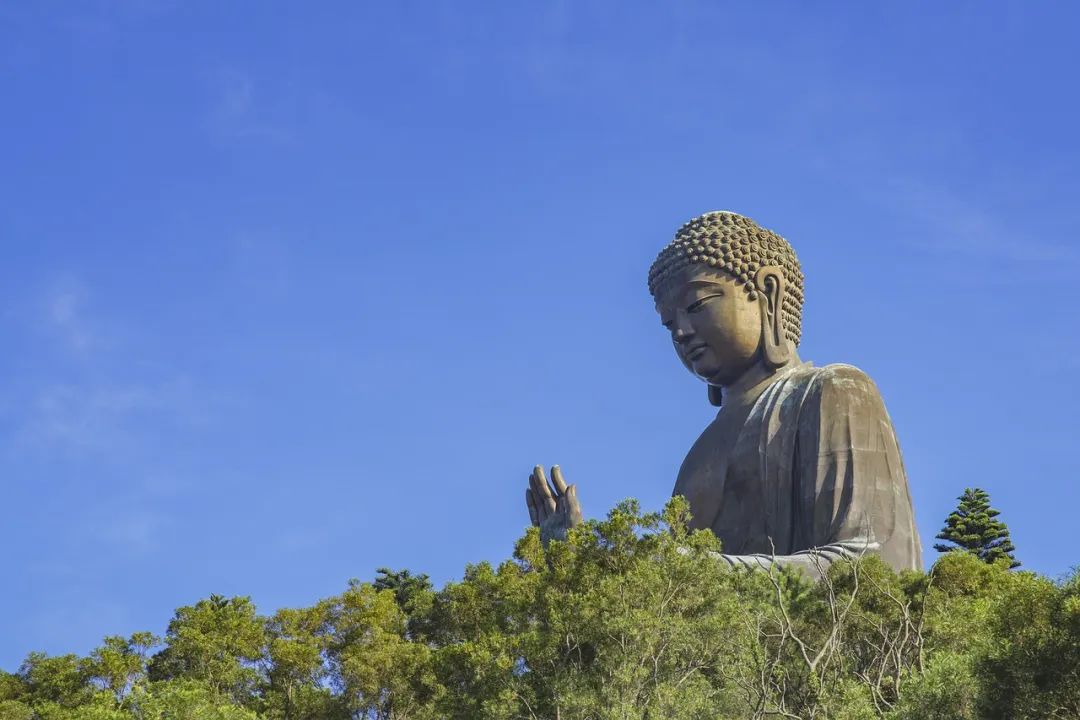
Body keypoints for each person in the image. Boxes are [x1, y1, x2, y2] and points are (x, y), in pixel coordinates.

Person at [526, 211, 922, 578]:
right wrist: (583, 564)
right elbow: (674, 612)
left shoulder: (834, 391)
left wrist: (693, 570)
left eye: (697, 305)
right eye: (669, 325)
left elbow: (874, 568)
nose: (681, 331)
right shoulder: (698, 456)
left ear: (768, 292)